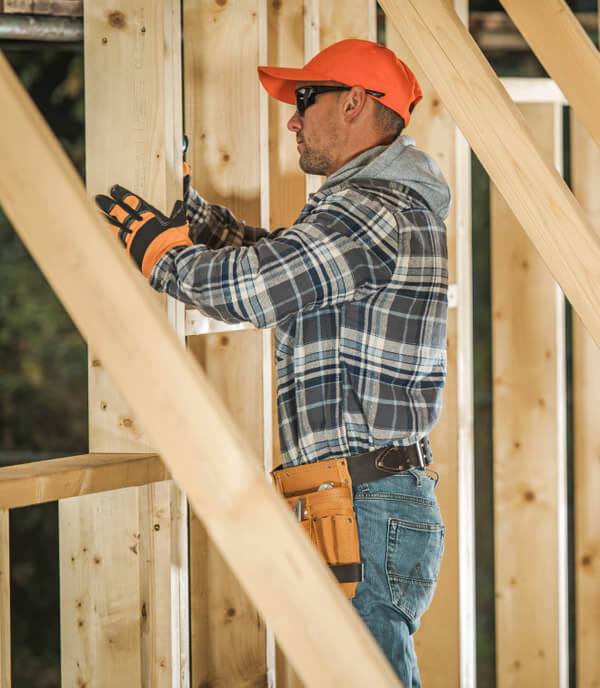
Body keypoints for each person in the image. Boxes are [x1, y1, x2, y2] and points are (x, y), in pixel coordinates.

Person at [94, 39, 450, 687]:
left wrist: (165, 257)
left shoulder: (373, 209)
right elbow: (289, 263)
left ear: (354, 104)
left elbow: (259, 288)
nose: (292, 118)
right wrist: (198, 225)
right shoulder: (375, 209)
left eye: (304, 100)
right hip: (359, 498)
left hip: (362, 504)